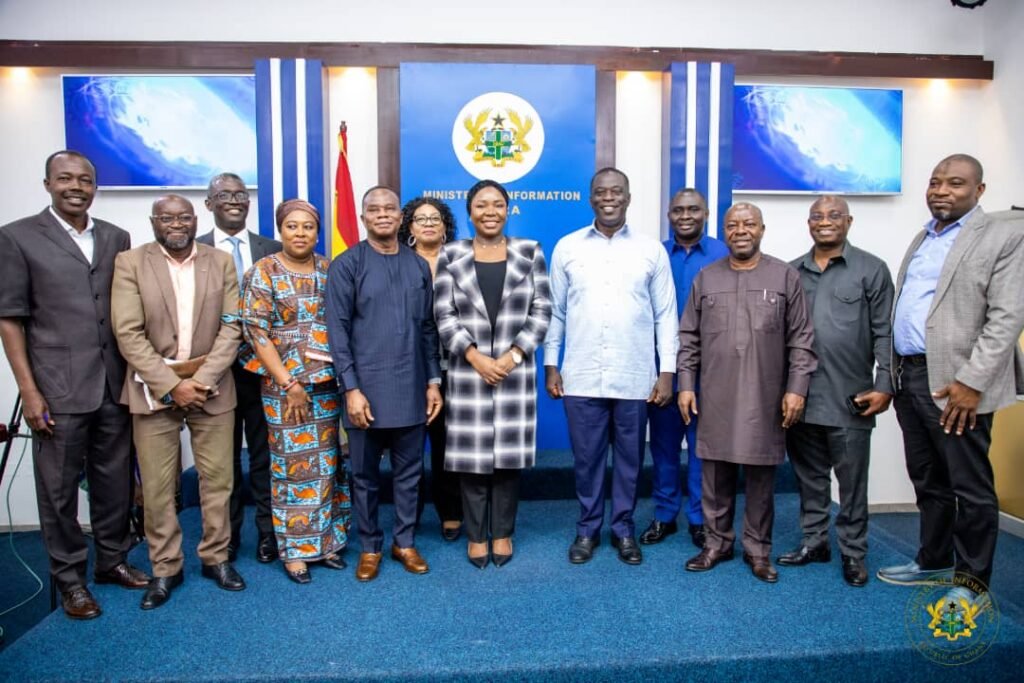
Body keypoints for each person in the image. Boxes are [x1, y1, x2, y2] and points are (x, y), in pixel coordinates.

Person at [0, 151, 149, 620]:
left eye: (85, 179)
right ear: (47, 184)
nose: (76, 186)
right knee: (59, 492)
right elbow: (10, 320)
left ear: (95, 186)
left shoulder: (115, 236)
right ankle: (70, 581)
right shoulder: (17, 237)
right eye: (65, 178)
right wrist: (29, 390)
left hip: (113, 383)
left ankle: (111, 561)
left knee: (114, 483)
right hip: (56, 389)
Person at [879, 154, 1024, 605]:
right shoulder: (926, 235)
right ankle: (933, 559)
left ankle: (972, 582)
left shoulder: (1004, 235)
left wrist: (973, 380)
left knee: (970, 484)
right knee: (927, 477)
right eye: (935, 182)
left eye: (955, 183)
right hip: (911, 376)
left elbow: (1007, 315)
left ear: (979, 191)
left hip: (957, 383)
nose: (942, 190)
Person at [111, 194, 245, 609]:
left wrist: (200, 381)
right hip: (154, 389)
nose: (176, 223)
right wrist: (172, 385)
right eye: (166, 218)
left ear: (196, 218)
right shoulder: (130, 263)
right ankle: (166, 567)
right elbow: (128, 333)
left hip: (212, 385)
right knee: (157, 486)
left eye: (183, 217)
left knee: (218, 480)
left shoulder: (218, 261)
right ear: (153, 221)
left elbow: (232, 326)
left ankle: (215, 557)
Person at [544, 168, 678, 567]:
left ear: (628, 197)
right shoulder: (567, 248)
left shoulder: (651, 250)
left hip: (634, 375)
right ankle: (587, 529)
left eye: (616, 191)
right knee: (586, 459)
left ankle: (622, 529)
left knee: (630, 460)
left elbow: (665, 314)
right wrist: (551, 363)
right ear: (591, 198)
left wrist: (667, 370)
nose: (609, 197)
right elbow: (556, 312)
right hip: (581, 373)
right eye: (601, 192)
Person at [678, 202, 816, 584]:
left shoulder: (785, 276)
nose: (741, 230)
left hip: (765, 395)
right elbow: (688, 337)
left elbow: (802, 339)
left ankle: (757, 551)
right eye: (733, 224)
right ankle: (717, 544)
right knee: (714, 474)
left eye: (749, 224)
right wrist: (686, 385)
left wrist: (796, 389)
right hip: (715, 395)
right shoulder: (706, 278)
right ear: (723, 231)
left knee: (760, 479)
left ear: (762, 229)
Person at [325, 186, 443, 582]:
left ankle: (404, 542)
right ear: (363, 218)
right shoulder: (347, 265)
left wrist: (433, 381)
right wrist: (351, 389)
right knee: (364, 476)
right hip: (365, 392)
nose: (382, 215)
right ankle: (371, 546)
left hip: (411, 388)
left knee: (410, 474)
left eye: (389, 209)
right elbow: (337, 332)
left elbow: (428, 329)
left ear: (400, 217)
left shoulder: (417, 266)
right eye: (373, 209)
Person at [434, 180, 552, 568]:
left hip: (514, 373)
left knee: (507, 460)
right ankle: (475, 535)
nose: (490, 211)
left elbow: (542, 311)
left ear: (508, 210)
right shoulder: (450, 255)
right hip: (468, 374)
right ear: (469, 212)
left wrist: (513, 355)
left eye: (497, 204)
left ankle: (501, 533)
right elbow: (444, 315)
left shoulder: (529, 252)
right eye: (481, 205)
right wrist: (474, 356)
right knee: (471, 460)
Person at [780, 196, 894, 587]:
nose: (824, 222)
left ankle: (853, 552)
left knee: (852, 483)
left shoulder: (871, 269)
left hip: (851, 398)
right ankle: (815, 543)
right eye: (817, 216)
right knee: (810, 478)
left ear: (849, 221)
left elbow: (885, 332)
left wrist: (885, 385)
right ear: (808, 223)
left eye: (833, 216)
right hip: (800, 398)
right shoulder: (791, 271)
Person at [239, 199, 351, 584]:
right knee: (291, 466)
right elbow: (256, 333)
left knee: (327, 465)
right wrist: (289, 384)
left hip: (325, 384)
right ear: (280, 230)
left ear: (317, 232)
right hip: (283, 387)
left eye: (307, 227)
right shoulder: (263, 271)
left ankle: (325, 543)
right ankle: (294, 551)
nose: (300, 233)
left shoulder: (329, 268)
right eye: (292, 226)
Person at [198, 172, 282, 564]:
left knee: (265, 456)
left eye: (241, 194)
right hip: (213, 373)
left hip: (264, 371)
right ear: (208, 203)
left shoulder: (274, 248)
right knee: (222, 460)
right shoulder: (192, 249)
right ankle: (226, 538)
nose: (234, 200)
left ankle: (270, 535)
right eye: (224, 194)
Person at [640, 188, 728, 550]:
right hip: (662, 370)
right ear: (669, 215)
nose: (686, 215)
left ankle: (698, 519)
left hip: (710, 370)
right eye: (678, 210)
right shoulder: (654, 254)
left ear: (706, 212)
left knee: (700, 449)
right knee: (662, 448)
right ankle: (664, 515)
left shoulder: (724, 254)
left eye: (693, 209)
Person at [398, 197, 463, 541]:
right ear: (408, 225)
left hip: (452, 365)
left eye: (434, 218)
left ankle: (450, 511)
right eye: (420, 218)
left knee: (445, 442)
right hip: (406, 366)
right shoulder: (397, 261)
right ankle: (409, 516)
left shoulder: (460, 260)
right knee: (407, 443)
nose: (427, 224)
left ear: (445, 225)